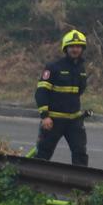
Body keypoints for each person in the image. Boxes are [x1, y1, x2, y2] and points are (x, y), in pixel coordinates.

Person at [34, 30, 89, 166]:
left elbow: (79, 91)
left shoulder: (81, 69)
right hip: (53, 121)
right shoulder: (53, 67)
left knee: (80, 154)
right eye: (72, 46)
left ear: (82, 48)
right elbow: (41, 92)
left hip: (74, 121)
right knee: (43, 154)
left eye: (78, 46)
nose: (75, 49)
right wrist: (45, 116)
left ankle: (79, 185)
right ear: (66, 48)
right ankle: (34, 183)